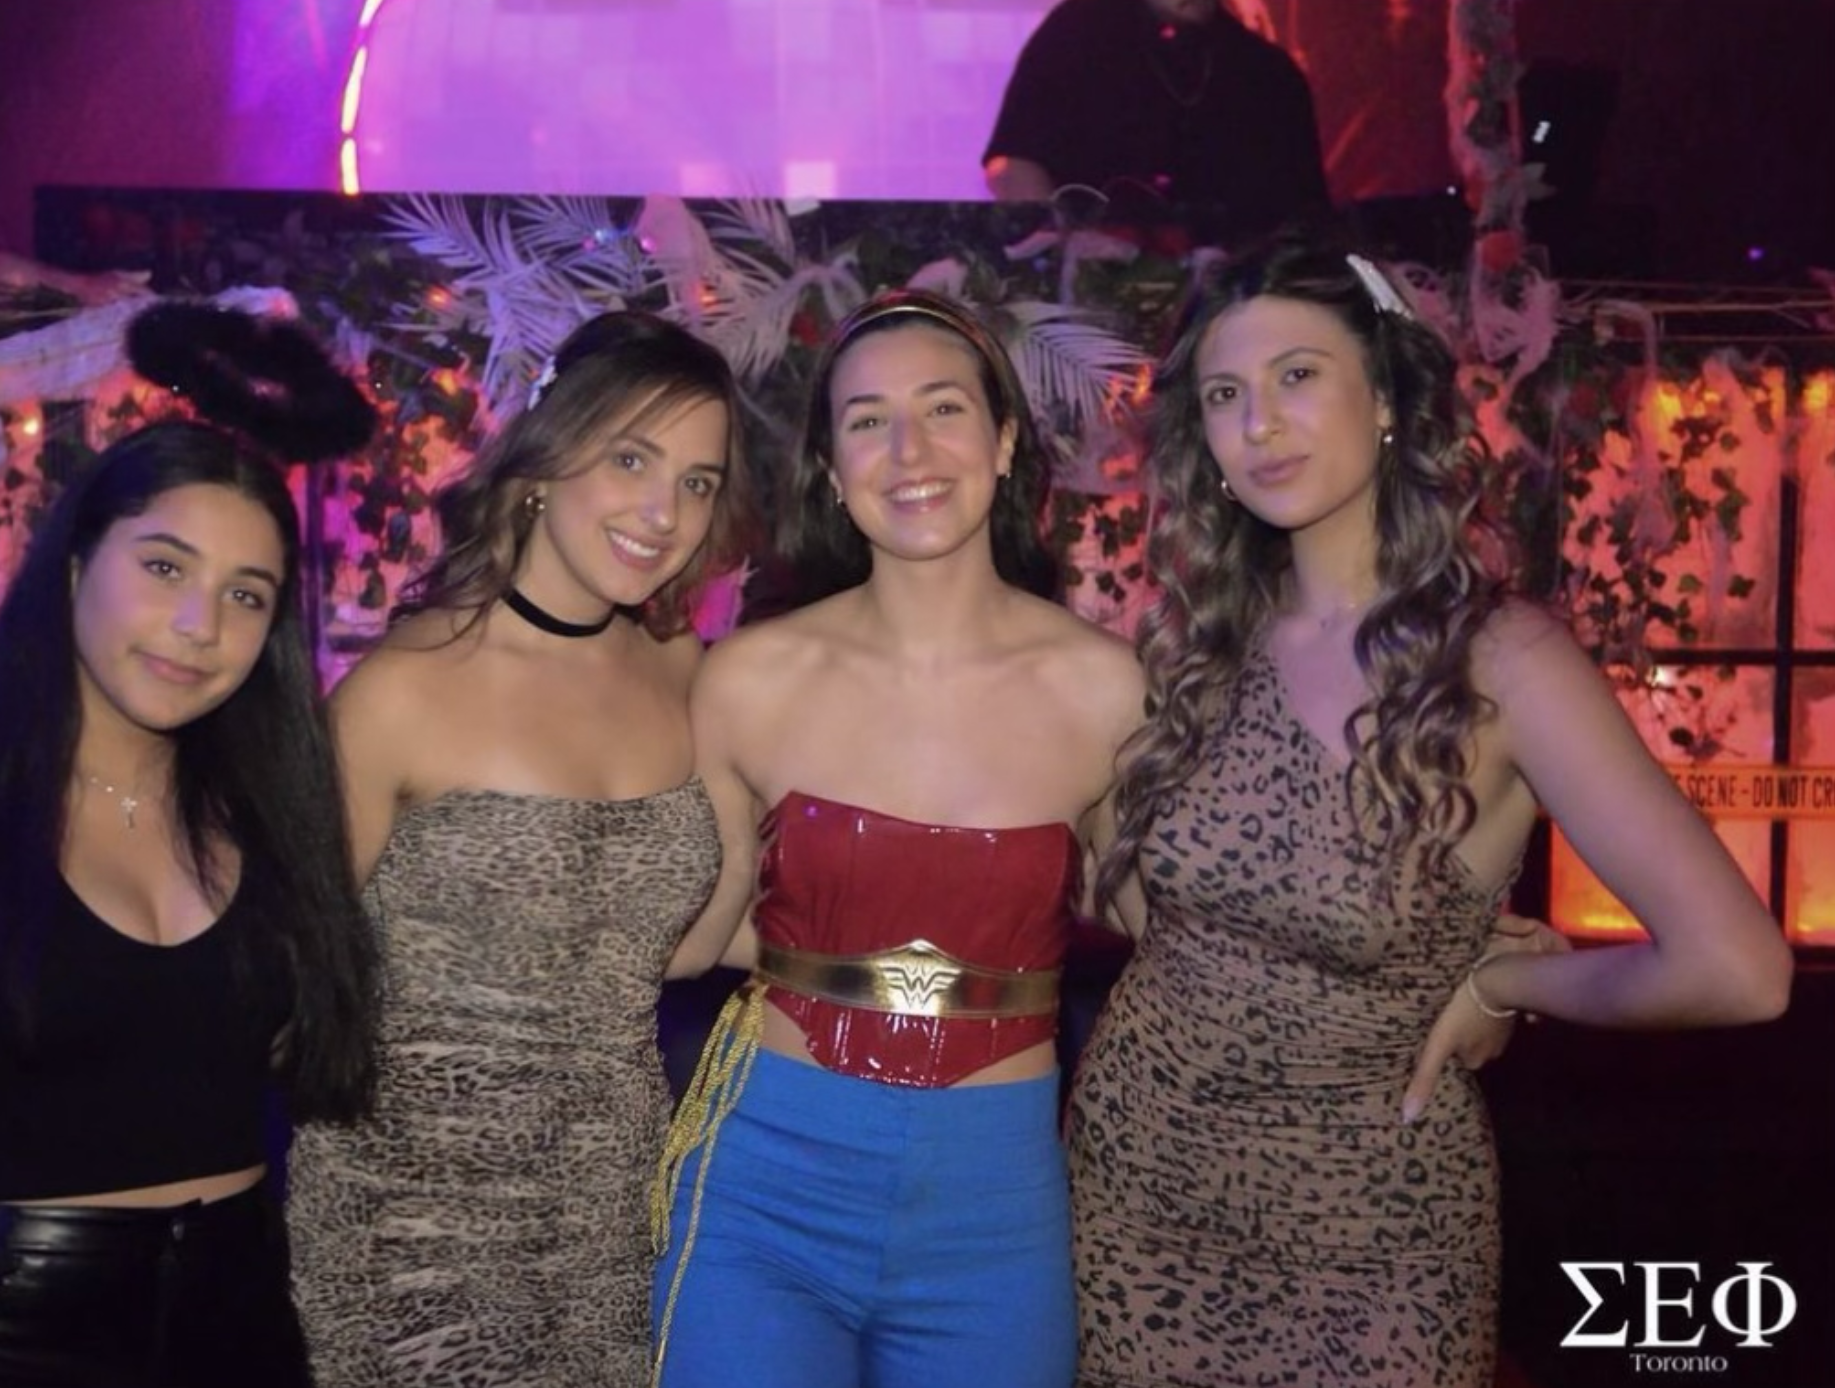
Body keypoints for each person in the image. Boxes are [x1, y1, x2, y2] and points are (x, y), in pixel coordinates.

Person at [1066, 238, 1795, 1387]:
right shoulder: (1193, 642)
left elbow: (1738, 969)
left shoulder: (1500, 661)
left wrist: (1504, 980)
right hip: (1133, 1191)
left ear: (1387, 399)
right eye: (1222, 394)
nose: (1258, 422)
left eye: (1296, 375)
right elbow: (1135, 910)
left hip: (1376, 1230)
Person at [0, 416, 381, 1388]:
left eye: (245, 594)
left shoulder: (267, 814)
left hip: (243, 1326)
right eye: (165, 567)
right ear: (74, 565)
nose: (200, 624)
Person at [653, 289, 1147, 1388]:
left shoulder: (1107, 689)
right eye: (867, 420)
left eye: (942, 409)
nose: (907, 451)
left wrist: (1455, 954)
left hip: (997, 1203)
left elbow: (1183, 929)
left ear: (1005, 442)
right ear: (831, 468)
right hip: (764, 1187)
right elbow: (694, 932)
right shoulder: (748, 677)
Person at [283, 310, 754, 1388]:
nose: (664, 512)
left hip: (609, 1213)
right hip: (409, 1223)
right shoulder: (401, 690)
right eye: (630, 458)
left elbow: (682, 945)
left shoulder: (684, 670)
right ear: (544, 458)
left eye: (696, 481)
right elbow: (291, 970)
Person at [983, 0, 1329, 245]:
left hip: (1229, 303)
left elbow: (1306, 220)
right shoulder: (1075, 33)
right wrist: (1066, 252)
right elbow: (1014, 163)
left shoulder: (1268, 73)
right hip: (1092, 301)